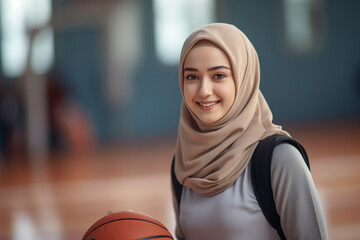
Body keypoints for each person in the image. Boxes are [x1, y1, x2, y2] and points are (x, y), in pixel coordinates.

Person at [171, 23, 328, 240]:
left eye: (218, 75)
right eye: (192, 77)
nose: (204, 90)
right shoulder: (184, 162)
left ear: (244, 78)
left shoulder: (279, 159)